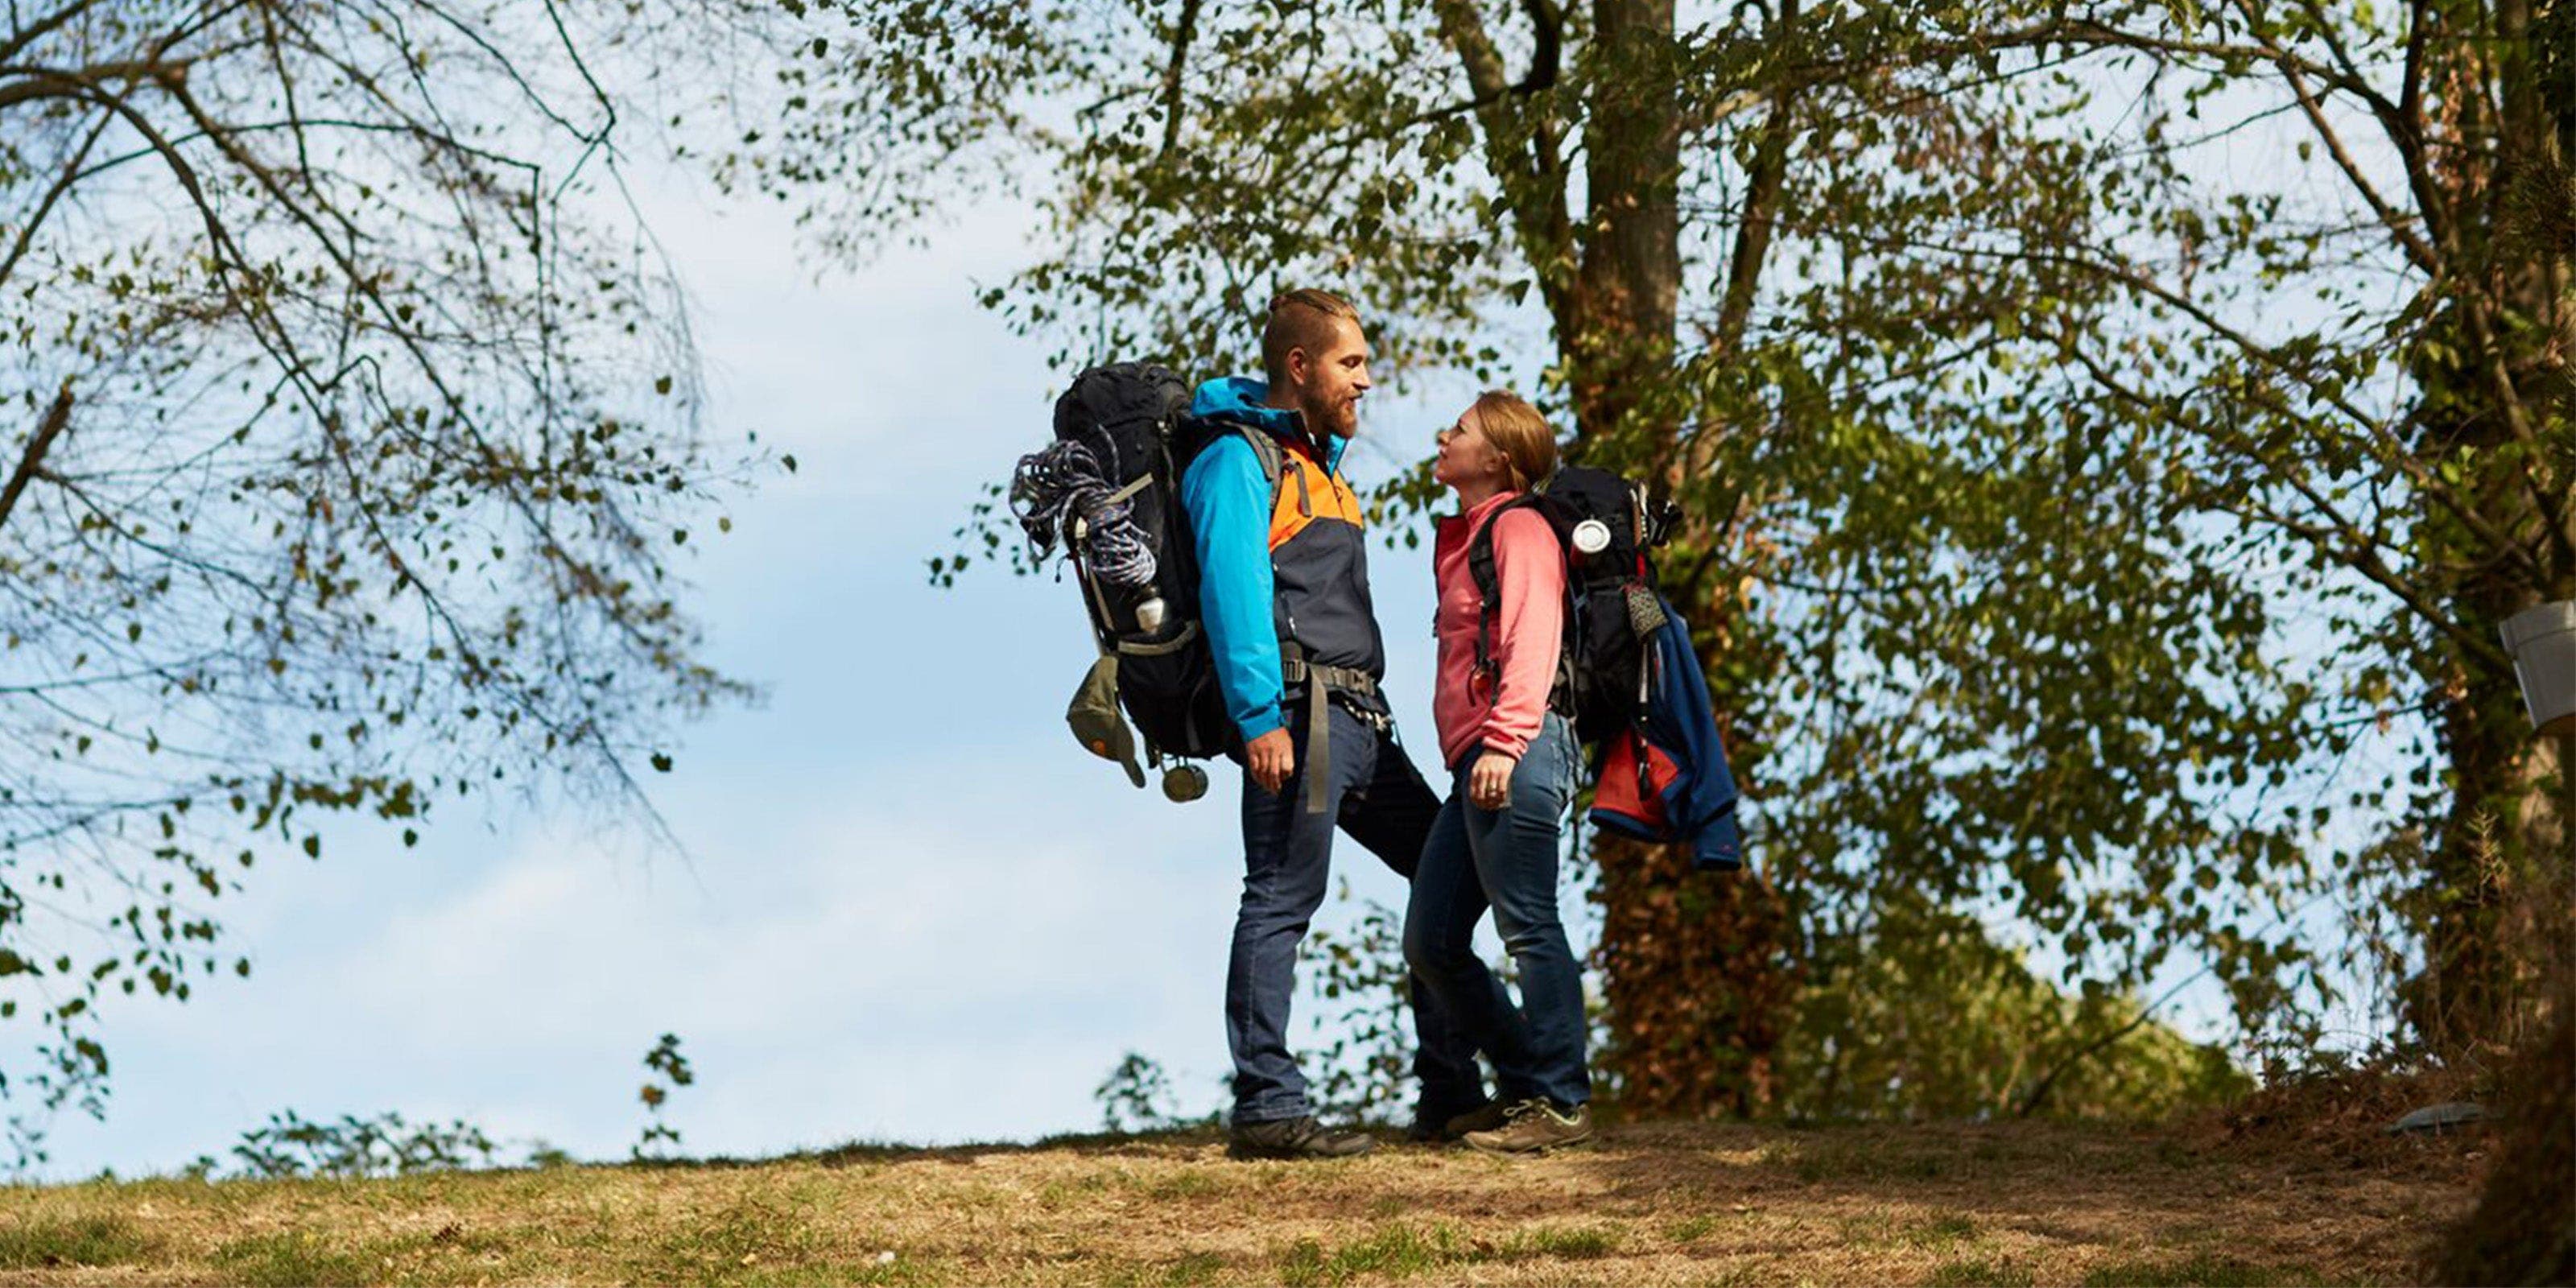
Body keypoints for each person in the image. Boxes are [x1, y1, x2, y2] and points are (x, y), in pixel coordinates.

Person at [1182, 289, 1493, 1159]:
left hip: (1356, 722)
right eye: (1349, 362)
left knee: (1444, 869)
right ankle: (1270, 1107)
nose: (1365, 378)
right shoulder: (1238, 462)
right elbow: (1232, 593)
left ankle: (1450, 1093)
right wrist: (1256, 719)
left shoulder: (1319, 467)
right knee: (1282, 895)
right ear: (1299, 367)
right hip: (1298, 719)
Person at [1402, 390, 1595, 1154]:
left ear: (1500, 460)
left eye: (1463, 430)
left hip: (1517, 747)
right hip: (1479, 759)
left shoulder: (1517, 527)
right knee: (1432, 940)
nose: (1445, 436)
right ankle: (1525, 1081)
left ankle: (1560, 1100)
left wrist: (1506, 743)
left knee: (1528, 924)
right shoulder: (1470, 534)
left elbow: (1532, 639)